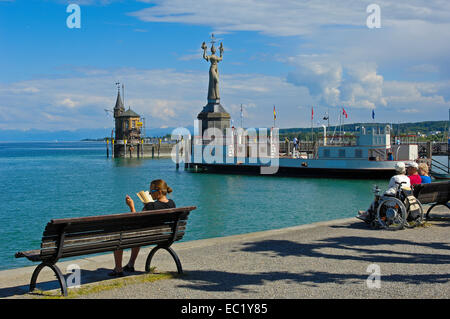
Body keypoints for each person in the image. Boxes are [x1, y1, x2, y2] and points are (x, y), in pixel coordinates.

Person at [109, 179, 176, 277]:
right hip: (164, 236)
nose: (149, 193)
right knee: (139, 235)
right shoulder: (172, 203)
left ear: (159, 192)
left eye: (151, 191)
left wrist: (131, 206)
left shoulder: (151, 206)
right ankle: (130, 264)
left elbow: (136, 220)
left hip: (146, 236)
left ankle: (118, 269)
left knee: (119, 236)